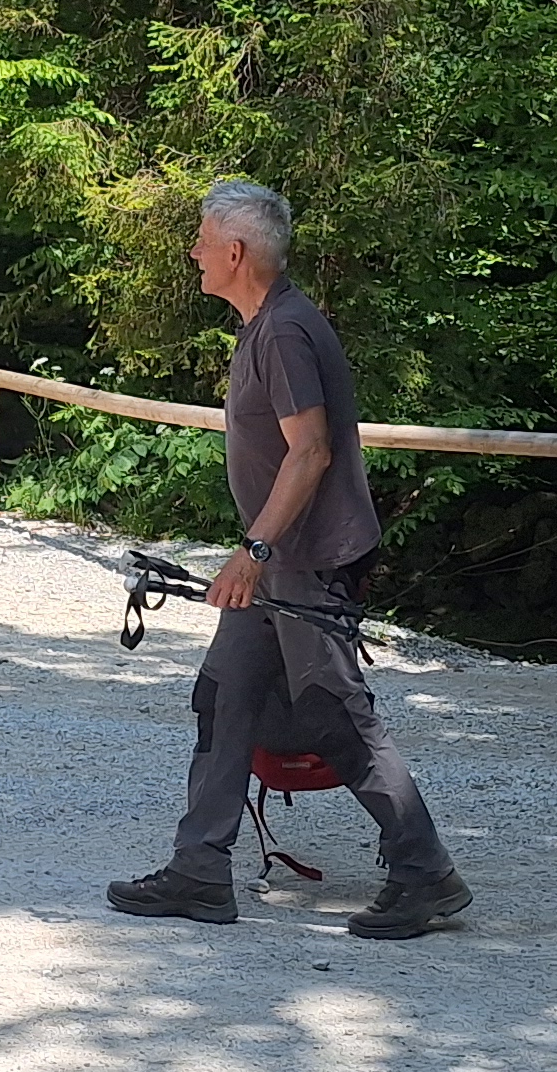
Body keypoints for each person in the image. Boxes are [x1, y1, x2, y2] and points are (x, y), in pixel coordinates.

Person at [106, 182, 465, 938]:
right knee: (223, 698)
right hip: (278, 564)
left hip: (306, 562)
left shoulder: (285, 332)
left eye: (203, 240)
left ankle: (426, 873)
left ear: (235, 252)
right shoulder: (265, 324)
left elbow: (311, 451)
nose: (194, 252)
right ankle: (200, 870)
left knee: (337, 714)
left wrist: (254, 551)